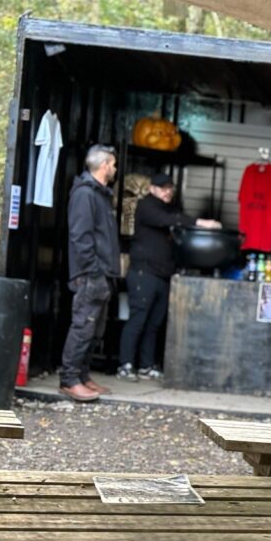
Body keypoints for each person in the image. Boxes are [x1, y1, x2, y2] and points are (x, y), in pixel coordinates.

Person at [117, 173, 220, 381]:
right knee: (138, 320)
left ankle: (146, 365)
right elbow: (167, 220)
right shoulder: (147, 206)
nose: (167, 192)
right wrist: (201, 222)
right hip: (143, 273)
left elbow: (175, 218)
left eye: (170, 188)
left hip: (162, 275)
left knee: (154, 323)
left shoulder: (168, 208)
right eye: (163, 188)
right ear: (152, 189)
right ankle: (125, 365)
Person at [59, 145, 121, 402]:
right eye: (114, 164)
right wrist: (93, 270)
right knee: (83, 326)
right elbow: (80, 237)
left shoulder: (100, 194)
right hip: (90, 274)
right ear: (105, 165)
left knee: (95, 328)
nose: (116, 169)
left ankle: (83, 376)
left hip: (102, 272)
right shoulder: (85, 194)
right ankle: (69, 379)